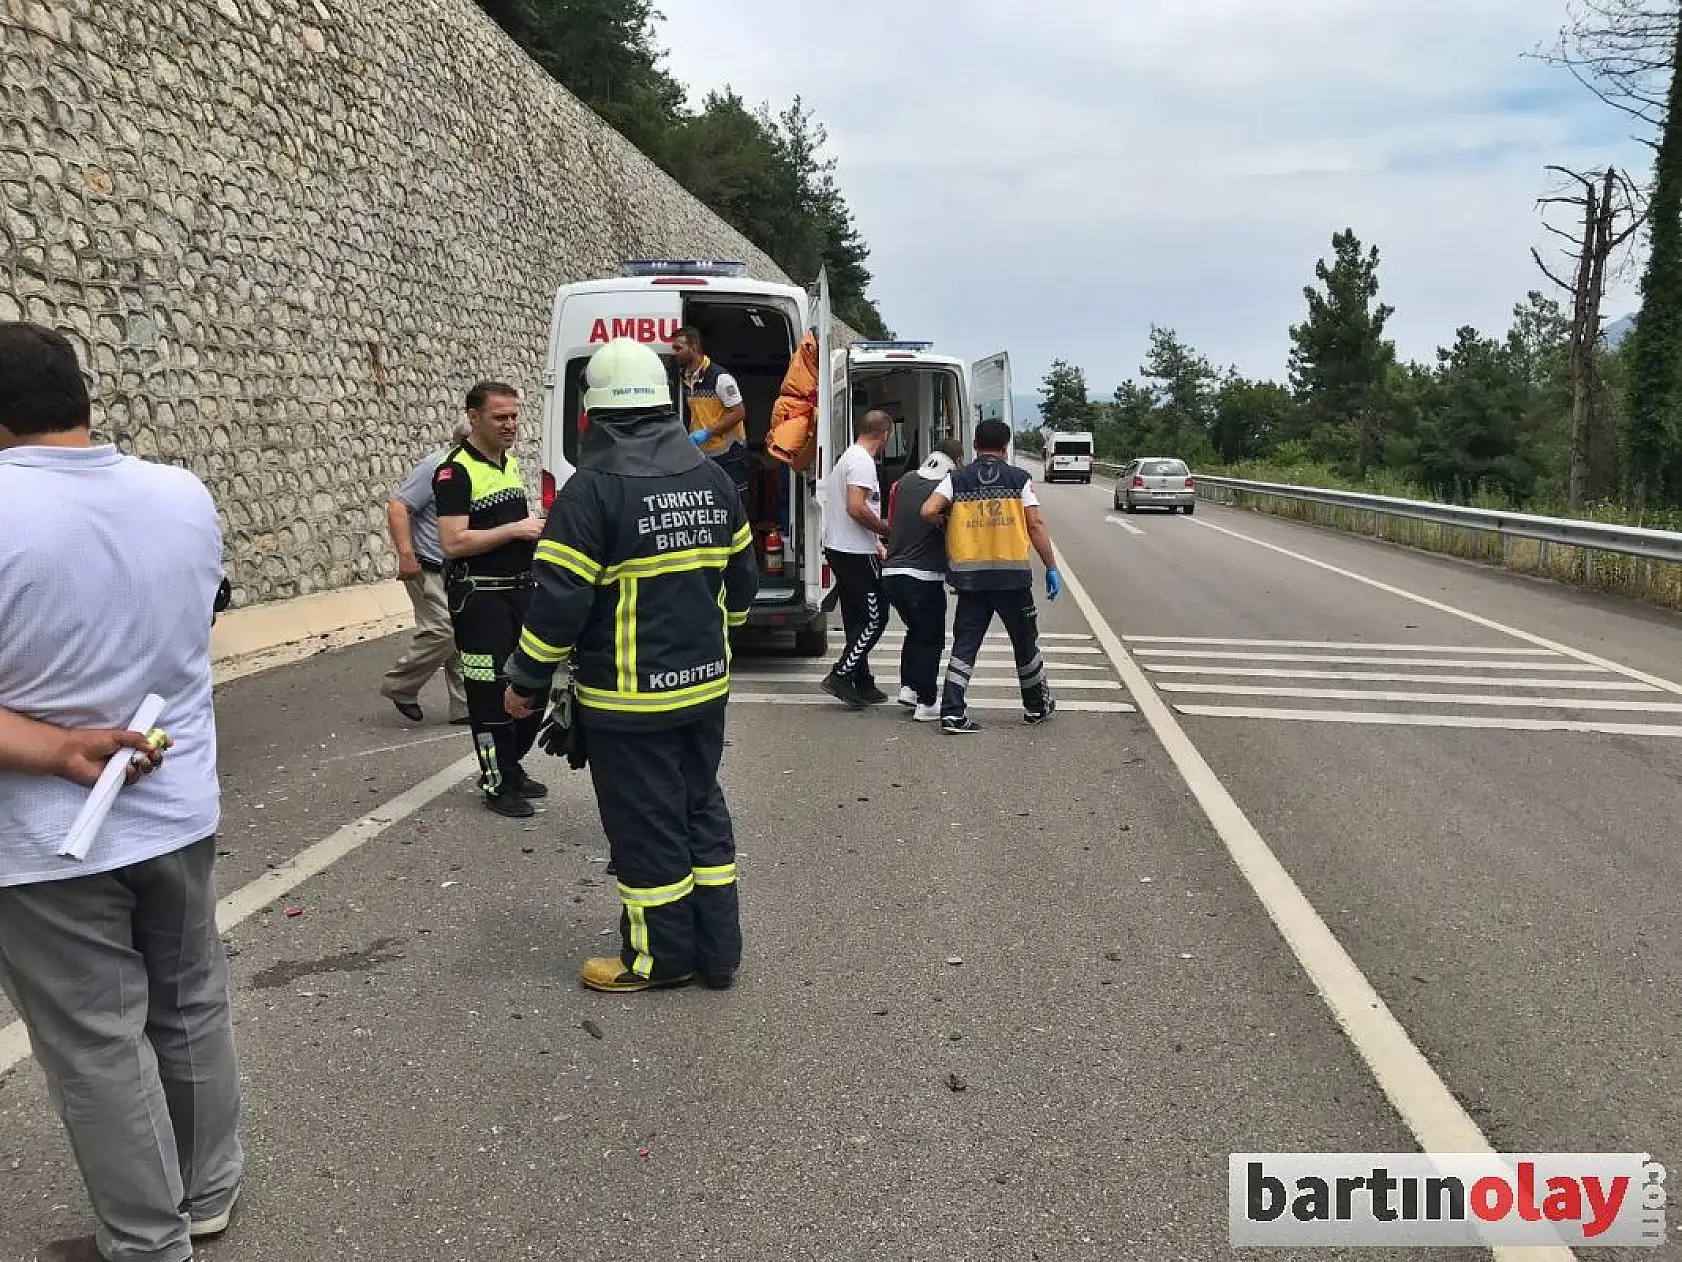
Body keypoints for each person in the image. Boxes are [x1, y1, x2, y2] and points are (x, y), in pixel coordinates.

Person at [0, 322, 244, 1262]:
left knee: (98, 1040)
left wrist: (61, 747)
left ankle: (146, 1239)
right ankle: (207, 1192)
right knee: (189, 1002)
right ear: (81, 398)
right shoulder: (180, 493)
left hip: (41, 840)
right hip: (176, 805)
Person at [502, 338, 757, 994]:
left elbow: (558, 604)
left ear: (596, 416)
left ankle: (657, 960)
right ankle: (717, 952)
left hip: (630, 703)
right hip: (705, 692)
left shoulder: (592, 493)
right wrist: (715, 646)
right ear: (665, 405)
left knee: (647, 829)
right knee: (700, 812)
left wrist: (524, 681)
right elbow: (742, 585)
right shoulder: (712, 479)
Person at [435, 381, 546, 818]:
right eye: (500, 417)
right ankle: (496, 781)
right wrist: (515, 531)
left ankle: (512, 765)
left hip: (521, 592)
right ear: (474, 417)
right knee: (488, 693)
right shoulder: (454, 471)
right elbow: (453, 542)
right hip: (480, 601)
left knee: (530, 682)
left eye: (514, 416)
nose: (510, 425)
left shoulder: (509, 464)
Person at [921, 418, 1062, 735]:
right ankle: (1036, 705)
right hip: (1012, 579)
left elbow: (927, 511)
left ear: (974, 445)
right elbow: (1035, 525)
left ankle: (953, 712)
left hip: (971, 579)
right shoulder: (1019, 479)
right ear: (1005, 447)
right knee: (1024, 642)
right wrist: (1051, 567)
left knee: (965, 644)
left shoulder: (956, 479)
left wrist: (948, 521)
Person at [378, 419, 472, 725]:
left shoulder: (479, 470)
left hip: (456, 567)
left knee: (460, 637)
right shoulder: (435, 467)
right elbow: (397, 507)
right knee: (443, 630)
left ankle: (464, 707)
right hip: (426, 564)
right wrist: (406, 555)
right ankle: (400, 685)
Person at [882, 437, 966, 721]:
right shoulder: (946, 486)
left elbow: (893, 521)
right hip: (922, 576)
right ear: (957, 460)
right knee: (931, 637)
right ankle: (927, 702)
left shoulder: (906, 479)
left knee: (915, 630)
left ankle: (909, 687)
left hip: (891, 573)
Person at [818, 409, 895, 708]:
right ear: (886, 433)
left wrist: (875, 542)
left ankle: (862, 682)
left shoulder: (848, 457)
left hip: (845, 546)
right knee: (876, 618)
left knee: (856, 616)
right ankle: (841, 674)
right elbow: (856, 507)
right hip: (853, 552)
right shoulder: (862, 462)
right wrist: (884, 528)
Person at [672, 326, 750, 505]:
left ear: (693, 347)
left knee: (734, 503)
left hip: (729, 454)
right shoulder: (687, 378)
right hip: (704, 454)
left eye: (678, 348)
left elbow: (739, 412)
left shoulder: (720, 378)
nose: (674, 353)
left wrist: (707, 432)